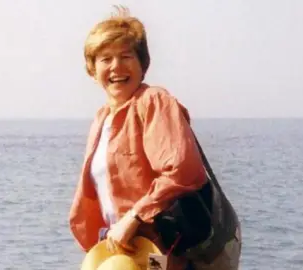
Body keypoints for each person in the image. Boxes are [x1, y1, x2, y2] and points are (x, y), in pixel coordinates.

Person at [69, 6, 241, 270]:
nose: (116, 66)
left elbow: (183, 171)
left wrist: (134, 218)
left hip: (160, 249)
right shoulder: (102, 119)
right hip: (122, 248)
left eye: (126, 56)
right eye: (105, 59)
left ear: (142, 64)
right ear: (92, 70)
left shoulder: (153, 102)